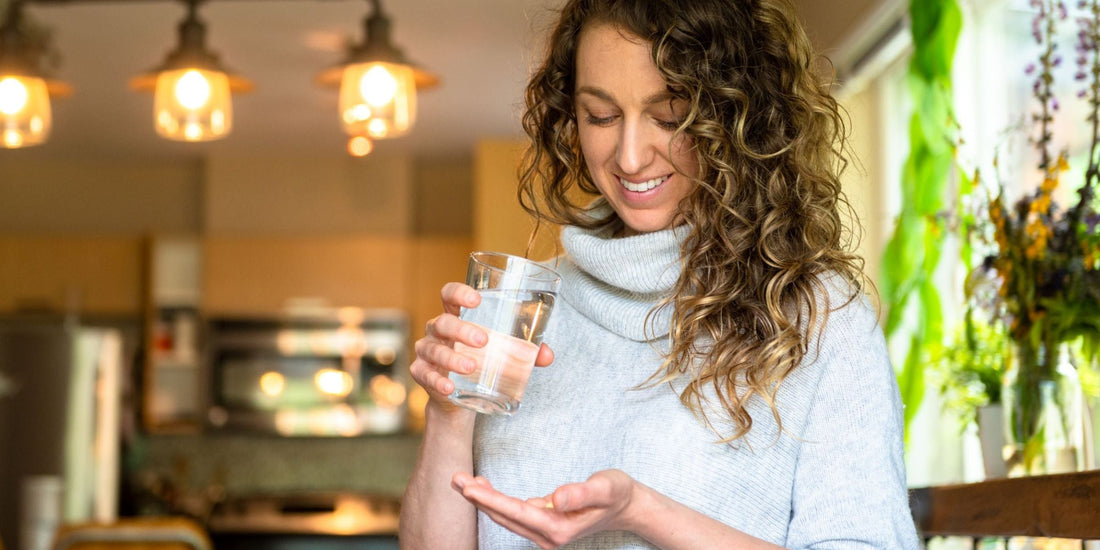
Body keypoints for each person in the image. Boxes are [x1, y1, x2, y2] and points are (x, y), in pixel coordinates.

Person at [400, 0, 920, 548]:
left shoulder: (819, 319)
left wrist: (643, 512)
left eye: (670, 116)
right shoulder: (527, 318)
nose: (628, 157)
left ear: (739, 116)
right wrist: (447, 415)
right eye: (600, 115)